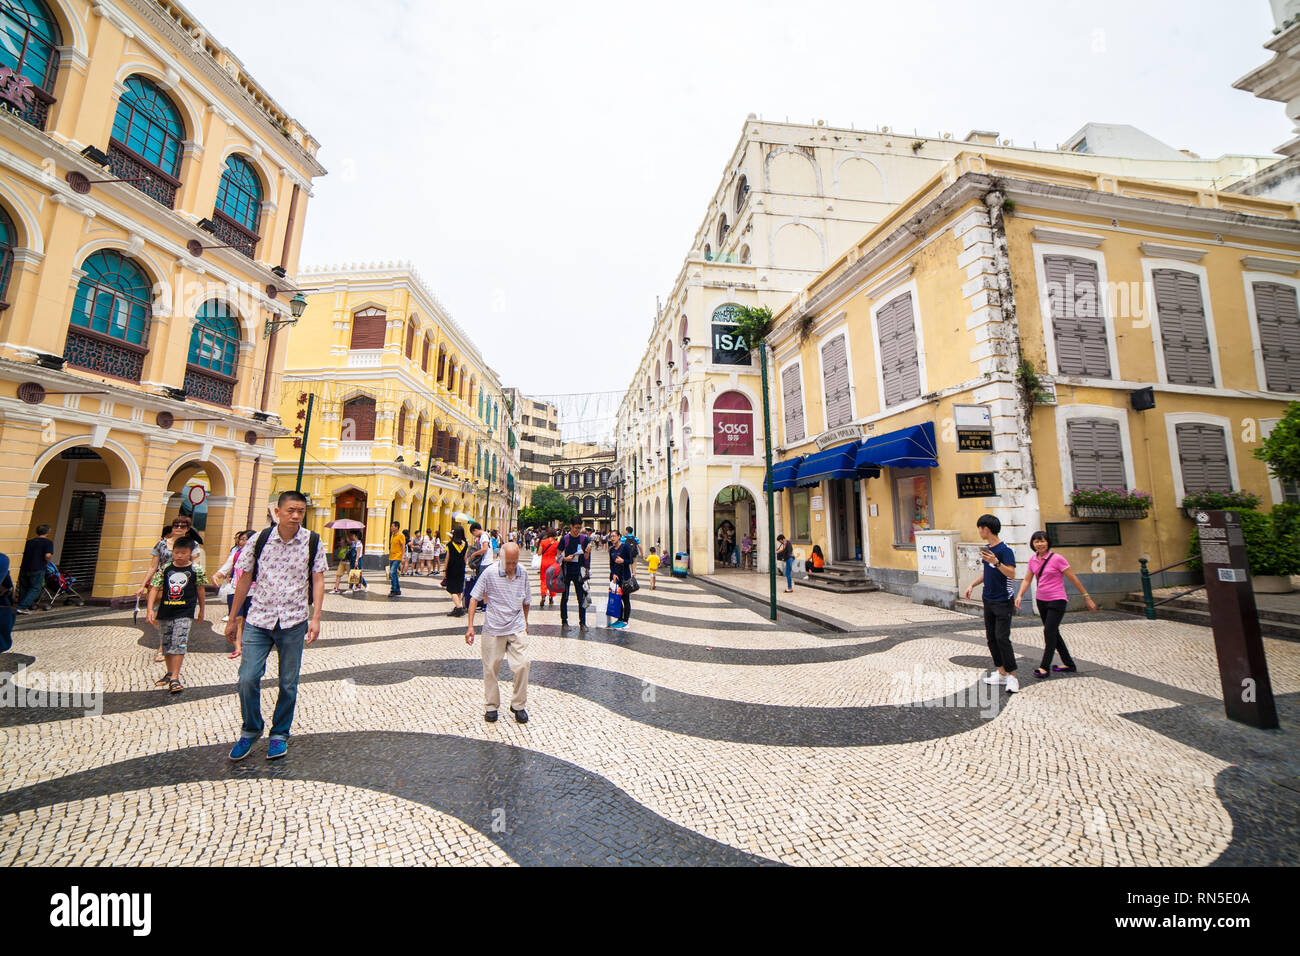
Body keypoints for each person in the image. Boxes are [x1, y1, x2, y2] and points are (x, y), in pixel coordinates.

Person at [225, 490, 327, 761]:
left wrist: (315, 617)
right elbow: (245, 578)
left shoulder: (312, 541)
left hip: (293, 620)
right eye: (291, 510)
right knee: (247, 678)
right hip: (259, 618)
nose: (296, 516)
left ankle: (280, 733)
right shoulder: (259, 540)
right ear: (277, 512)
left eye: (301, 511)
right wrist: (234, 617)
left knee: (288, 682)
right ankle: (250, 729)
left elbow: (317, 580)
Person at [1015, 530, 1097, 679]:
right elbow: (1027, 580)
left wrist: (1086, 597)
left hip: (1057, 600)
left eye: (1042, 541)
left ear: (1048, 543)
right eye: (1036, 541)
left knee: (1049, 632)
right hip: (1041, 600)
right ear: (1033, 544)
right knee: (1053, 632)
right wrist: (1020, 595)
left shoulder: (1057, 559)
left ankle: (1044, 667)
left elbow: (1073, 578)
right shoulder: (1033, 560)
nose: (1040, 544)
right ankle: (1069, 664)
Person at [465, 542, 532, 724]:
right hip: (494, 628)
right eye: (508, 563)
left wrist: (525, 623)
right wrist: (470, 626)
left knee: (523, 664)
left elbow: (526, 601)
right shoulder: (490, 573)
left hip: (516, 625)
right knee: (491, 668)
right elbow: (474, 598)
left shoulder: (522, 572)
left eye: (514, 562)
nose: (511, 567)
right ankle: (491, 706)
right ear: (500, 559)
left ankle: (518, 705)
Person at [964, 513, 1019, 694]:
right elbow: (987, 573)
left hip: (1003, 600)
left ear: (985, 529)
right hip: (988, 598)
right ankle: (1001, 673)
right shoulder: (987, 549)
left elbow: (1011, 574)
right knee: (991, 638)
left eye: (980, 528)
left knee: (1002, 638)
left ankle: (1013, 677)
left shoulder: (1005, 551)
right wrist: (973, 584)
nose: (979, 531)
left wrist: (996, 562)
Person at [146, 534, 206, 694]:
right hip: (166, 610)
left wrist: (202, 610)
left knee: (179, 642)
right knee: (166, 643)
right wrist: (150, 609)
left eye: (183, 553)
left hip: (184, 611)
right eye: (176, 552)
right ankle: (170, 672)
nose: (179, 556)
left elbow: (201, 590)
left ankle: (175, 677)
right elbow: (154, 588)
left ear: (190, 553)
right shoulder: (165, 569)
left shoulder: (196, 570)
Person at [137, 516, 201, 662]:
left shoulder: (192, 544)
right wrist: (143, 584)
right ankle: (168, 638)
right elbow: (153, 566)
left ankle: (163, 646)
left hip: (181, 585)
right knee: (156, 614)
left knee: (175, 614)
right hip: (161, 583)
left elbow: (196, 565)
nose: (179, 528)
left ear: (187, 529)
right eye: (176, 525)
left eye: (183, 526)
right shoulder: (161, 544)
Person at [212, 530, 254, 658]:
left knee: (248, 620)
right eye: (241, 539)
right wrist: (217, 576)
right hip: (234, 590)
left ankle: (246, 642)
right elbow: (226, 568)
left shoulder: (259, 555)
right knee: (237, 618)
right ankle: (237, 647)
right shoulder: (236, 555)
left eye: (246, 539)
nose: (243, 542)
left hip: (253, 591)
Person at [557, 518, 592, 630]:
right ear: (571, 526)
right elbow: (558, 556)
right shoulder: (565, 539)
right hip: (567, 571)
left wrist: (587, 552)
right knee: (565, 597)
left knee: (581, 597)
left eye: (579, 528)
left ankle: (582, 622)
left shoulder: (584, 539)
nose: (577, 530)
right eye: (576, 527)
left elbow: (586, 557)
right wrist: (565, 558)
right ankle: (564, 621)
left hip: (579, 572)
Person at [14, 524, 54, 615]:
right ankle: (22, 607)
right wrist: (47, 563)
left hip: (24, 567)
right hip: (38, 567)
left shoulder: (29, 542)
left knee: (24, 587)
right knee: (35, 588)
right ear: (48, 532)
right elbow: (48, 555)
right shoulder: (48, 543)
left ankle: (22, 606)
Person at [609, 529, 635, 629]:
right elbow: (611, 564)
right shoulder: (611, 549)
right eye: (611, 536)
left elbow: (631, 560)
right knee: (617, 599)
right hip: (616, 578)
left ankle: (625, 621)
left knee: (625, 599)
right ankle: (619, 619)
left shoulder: (625, 548)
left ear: (619, 536)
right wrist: (613, 574)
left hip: (625, 577)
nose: (612, 538)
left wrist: (623, 560)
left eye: (614, 536)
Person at [444, 526, 468, 615]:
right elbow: (465, 558)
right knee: (459, 589)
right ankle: (459, 605)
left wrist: (444, 570)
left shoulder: (450, 545)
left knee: (451, 589)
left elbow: (447, 558)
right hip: (461, 568)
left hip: (451, 568)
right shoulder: (465, 544)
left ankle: (459, 608)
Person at [537, 528, 560, 607]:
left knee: (543, 580)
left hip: (544, 563)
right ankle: (551, 597)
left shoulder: (543, 542)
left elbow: (539, 553)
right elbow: (557, 555)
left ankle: (543, 596)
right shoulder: (557, 543)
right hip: (552, 564)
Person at [387, 521, 405, 597]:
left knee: (392, 572)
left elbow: (403, 546)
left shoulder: (401, 535)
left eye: (392, 526)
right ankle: (397, 590)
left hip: (397, 557)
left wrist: (403, 557)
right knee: (394, 573)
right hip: (391, 557)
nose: (391, 528)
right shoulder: (392, 535)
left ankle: (393, 589)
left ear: (396, 527)